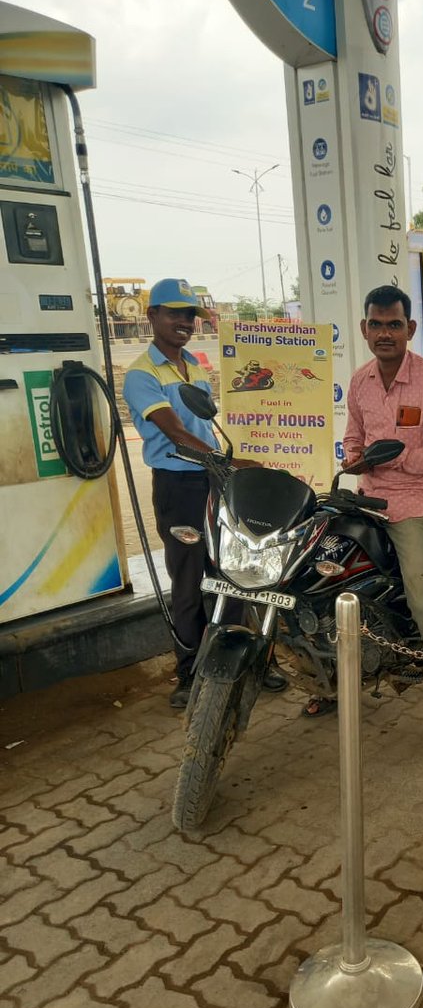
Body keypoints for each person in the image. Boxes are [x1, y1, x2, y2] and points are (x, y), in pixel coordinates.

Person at [123, 279, 287, 709]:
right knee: (189, 579)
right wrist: (231, 462)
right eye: (174, 313)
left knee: (232, 572)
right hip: (179, 486)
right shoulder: (142, 374)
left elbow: (203, 424)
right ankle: (189, 671)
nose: (184, 322)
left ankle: (237, 662)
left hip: (214, 479)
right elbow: (174, 432)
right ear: (152, 315)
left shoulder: (193, 364)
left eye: (190, 315)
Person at [336, 284, 423, 746]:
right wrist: (355, 457)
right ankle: (333, 678)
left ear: (410, 328)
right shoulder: (359, 380)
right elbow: (353, 435)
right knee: (335, 584)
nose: (385, 333)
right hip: (366, 498)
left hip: (414, 503)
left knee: (421, 599)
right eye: (377, 324)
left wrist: (391, 461)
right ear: (364, 328)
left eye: (394, 324)